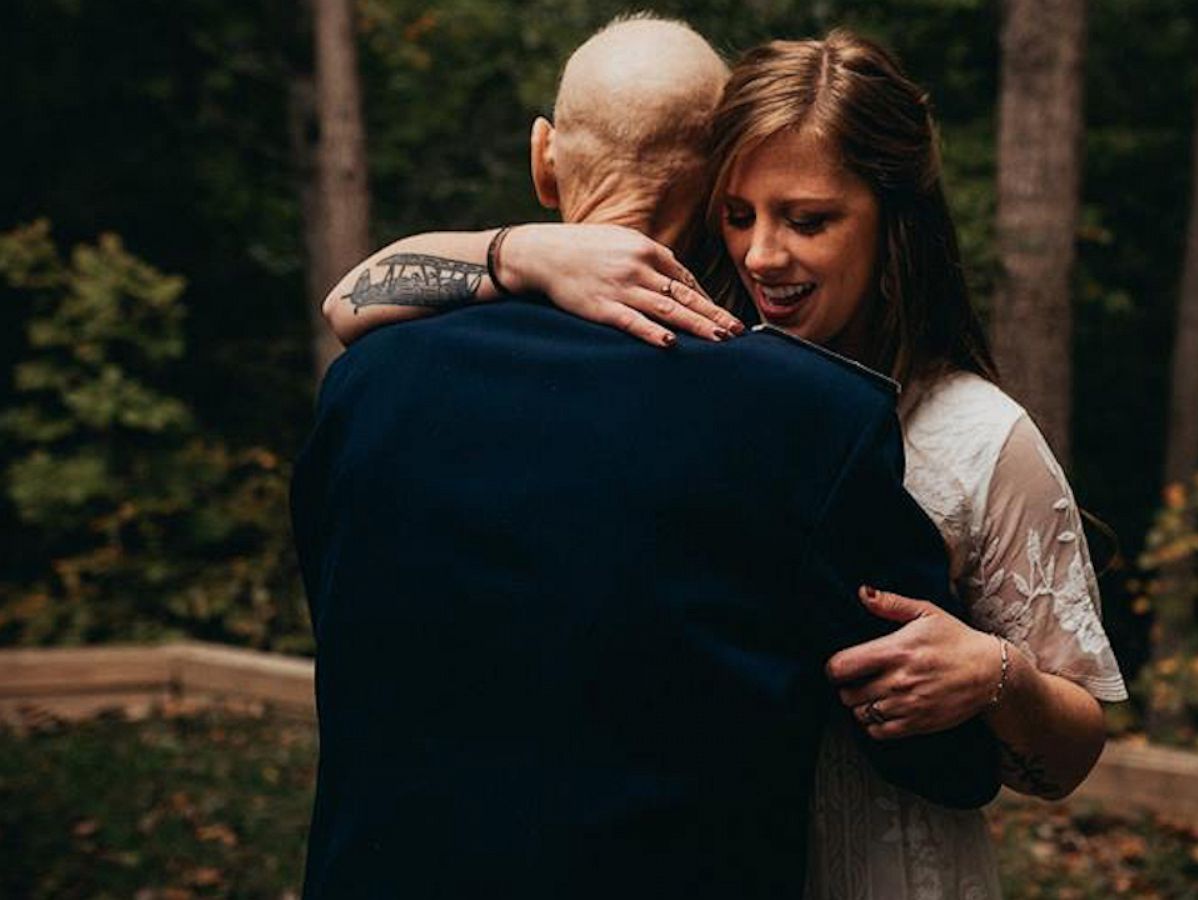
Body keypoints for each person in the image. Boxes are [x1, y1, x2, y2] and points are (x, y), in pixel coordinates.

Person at [328, 26, 1128, 900]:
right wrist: (523, 249)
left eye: (807, 220)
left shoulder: (977, 434)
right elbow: (350, 299)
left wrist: (994, 675)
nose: (760, 255)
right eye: (737, 214)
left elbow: (1064, 754)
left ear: (893, 222)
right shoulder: (717, 374)